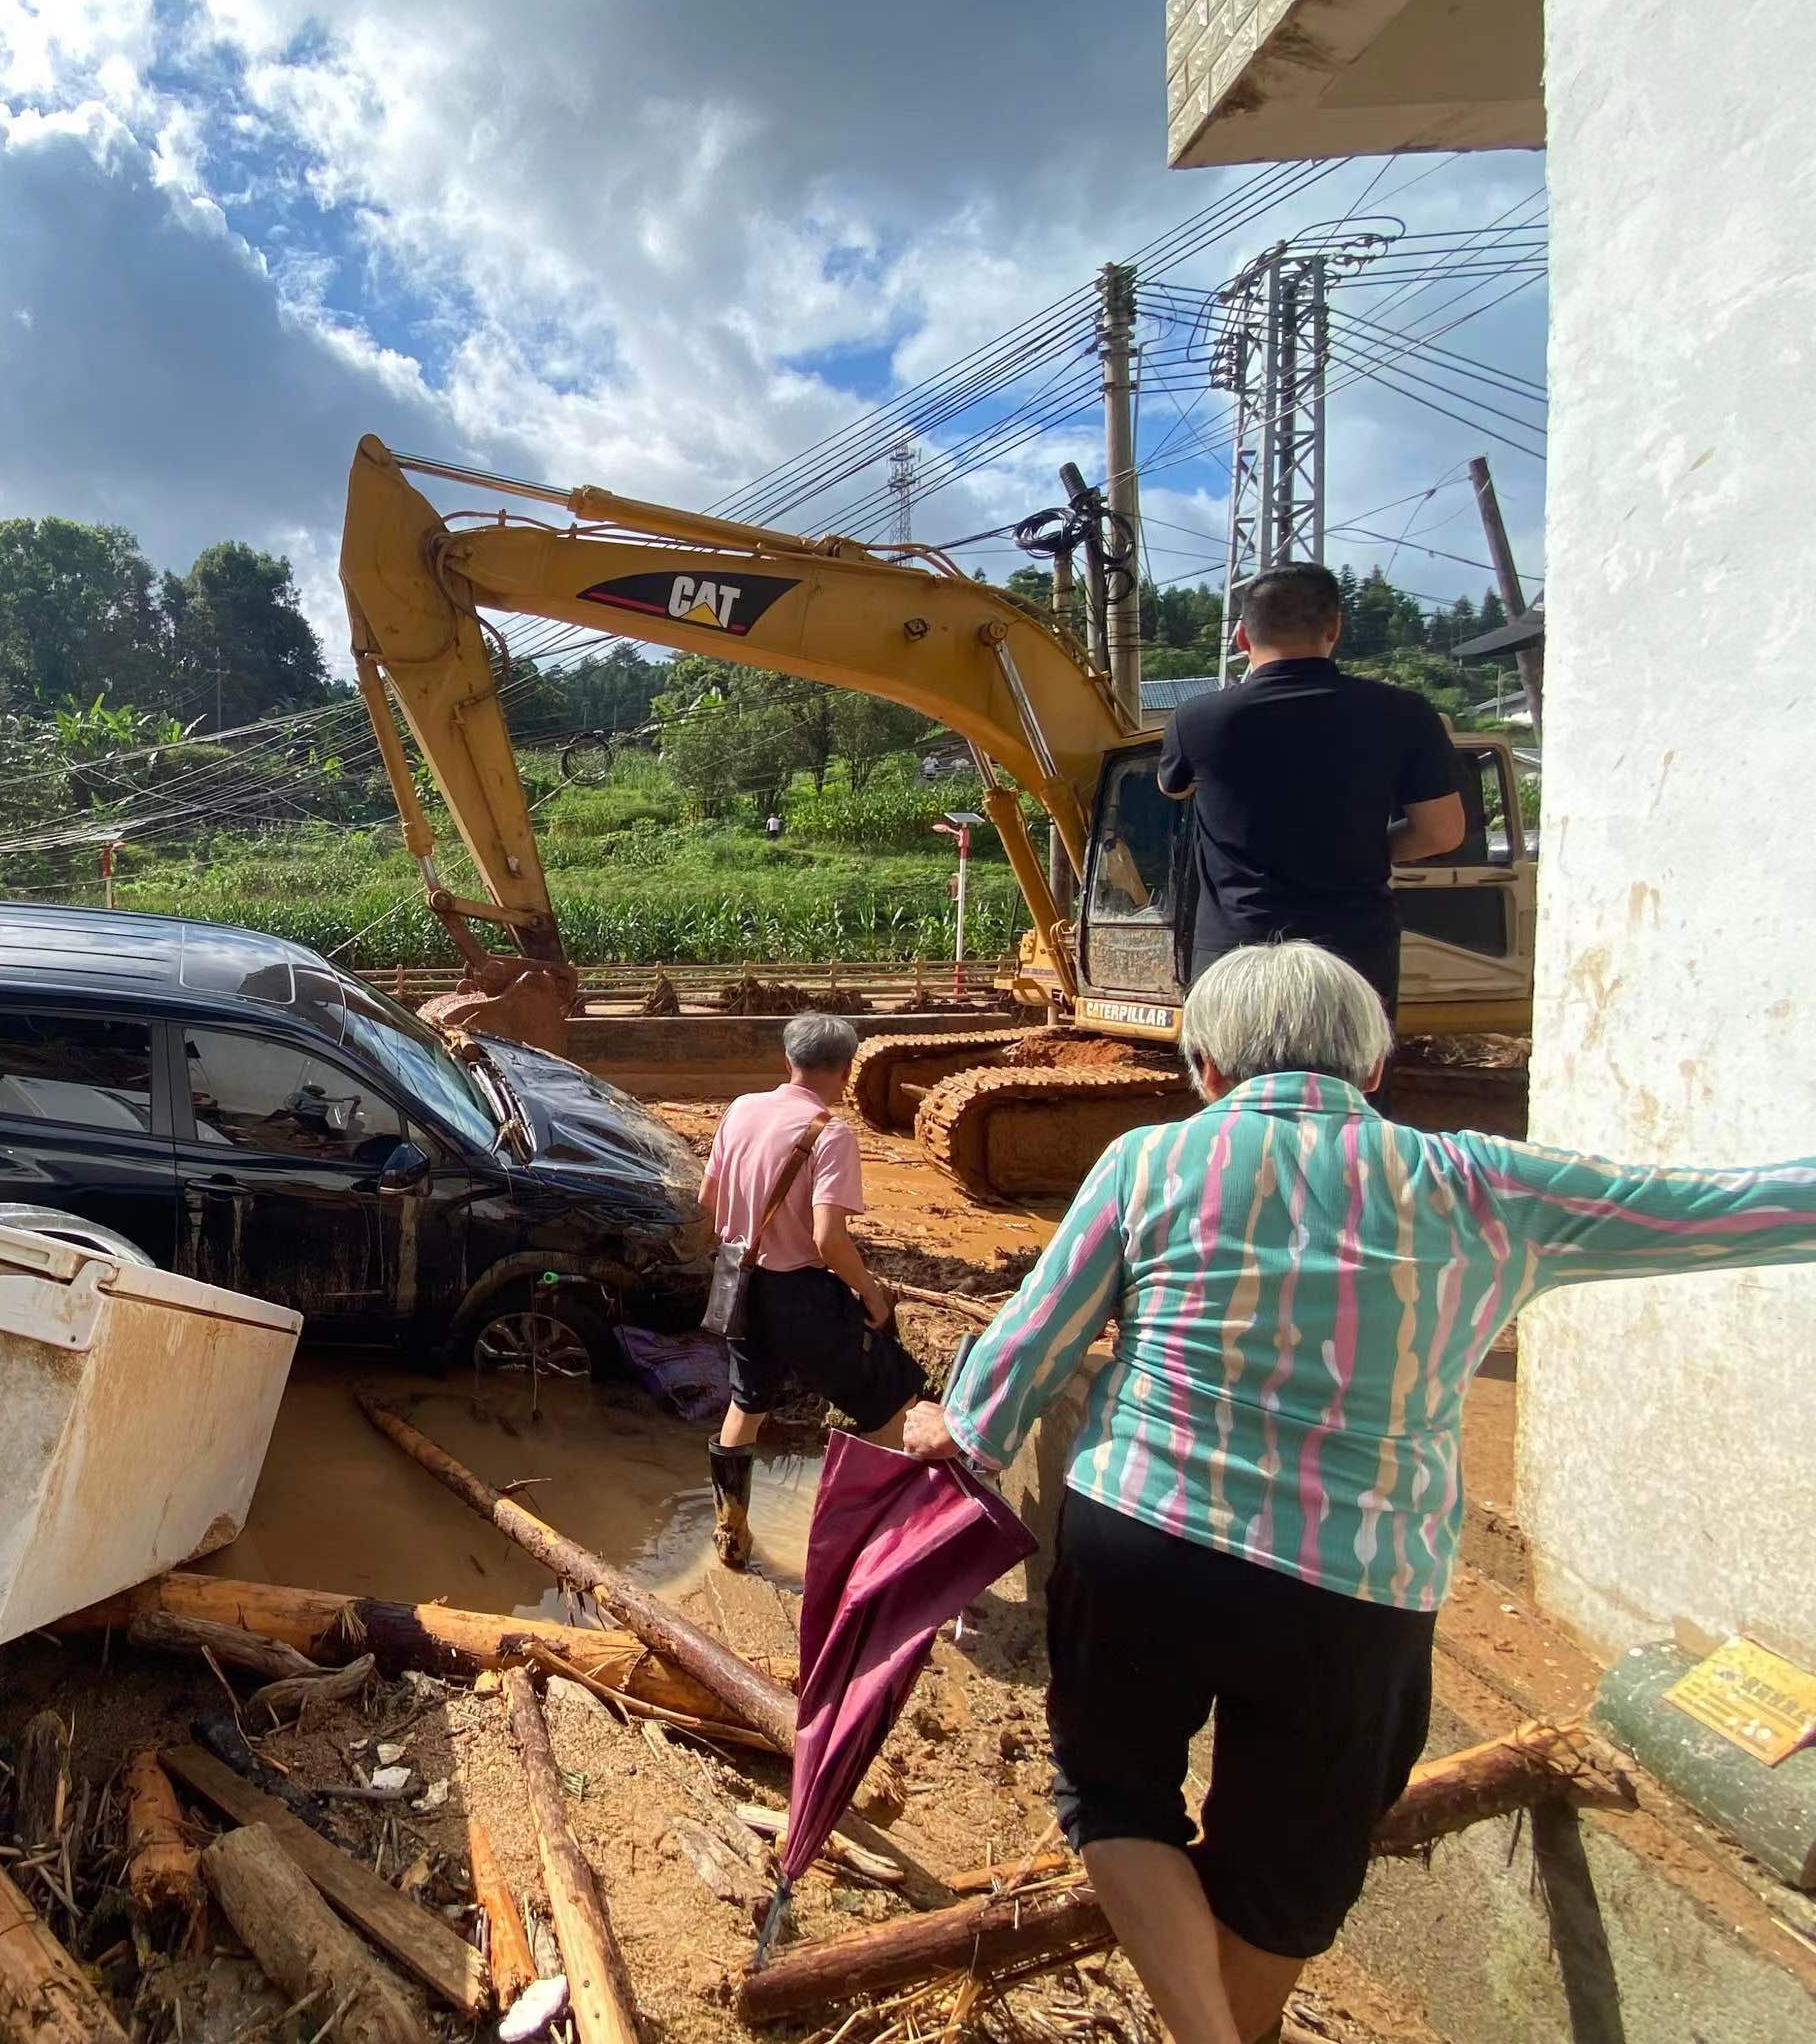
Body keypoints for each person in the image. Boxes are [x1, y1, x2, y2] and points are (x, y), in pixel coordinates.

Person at [902, 943, 1816, 2044]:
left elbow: (1033, 1338)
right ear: (1373, 1071)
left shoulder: (1148, 1165)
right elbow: (1718, 1208)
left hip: (1146, 1537)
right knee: (1291, 1870)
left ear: (1202, 1066)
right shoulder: (1486, 1185)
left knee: (1115, 1795)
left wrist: (963, 1430)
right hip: (1358, 1586)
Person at [1158, 563, 1468, 1016]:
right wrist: (1358, 848)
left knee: (1240, 1083)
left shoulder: (1197, 719)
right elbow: (1442, 832)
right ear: (1335, 628)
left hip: (1239, 955)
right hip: (1353, 954)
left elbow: (1173, 789)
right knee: (1349, 1084)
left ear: (1242, 637)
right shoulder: (1404, 714)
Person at [698, 1011, 924, 1566]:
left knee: (746, 1403)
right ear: (846, 1070)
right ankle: (865, 1545)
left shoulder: (741, 1109)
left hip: (739, 1282)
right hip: (801, 1293)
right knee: (891, 1397)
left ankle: (730, 1531)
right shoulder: (831, 1132)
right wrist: (871, 1294)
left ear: (788, 1060)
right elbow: (828, 1238)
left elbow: (708, 1203)